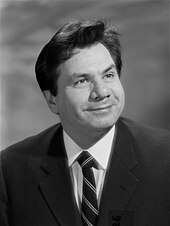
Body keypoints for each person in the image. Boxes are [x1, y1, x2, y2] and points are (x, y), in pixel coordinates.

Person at [0, 19, 169, 226]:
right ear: (52, 100)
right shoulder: (11, 169)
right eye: (82, 81)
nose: (102, 92)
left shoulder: (165, 158)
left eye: (108, 75)